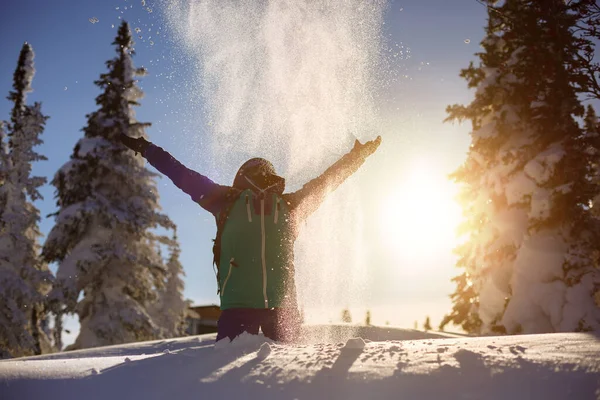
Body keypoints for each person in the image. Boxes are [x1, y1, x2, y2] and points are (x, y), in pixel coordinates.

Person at [119, 133, 381, 342]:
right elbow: (180, 173)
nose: (264, 180)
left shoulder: (289, 206)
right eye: (259, 174)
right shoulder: (225, 201)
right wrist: (145, 147)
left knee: (288, 385)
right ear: (244, 178)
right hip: (238, 310)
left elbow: (326, 183)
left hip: (284, 312)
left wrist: (357, 157)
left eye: (267, 175)